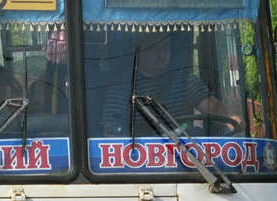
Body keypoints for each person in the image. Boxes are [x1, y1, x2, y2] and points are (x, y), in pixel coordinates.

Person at [99, 32, 240, 137]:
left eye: (165, 47)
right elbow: (111, 133)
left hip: (182, 159)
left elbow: (213, 107)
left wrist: (231, 118)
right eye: (153, 48)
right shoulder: (121, 89)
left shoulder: (185, 81)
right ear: (139, 51)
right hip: (141, 166)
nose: (161, 53)